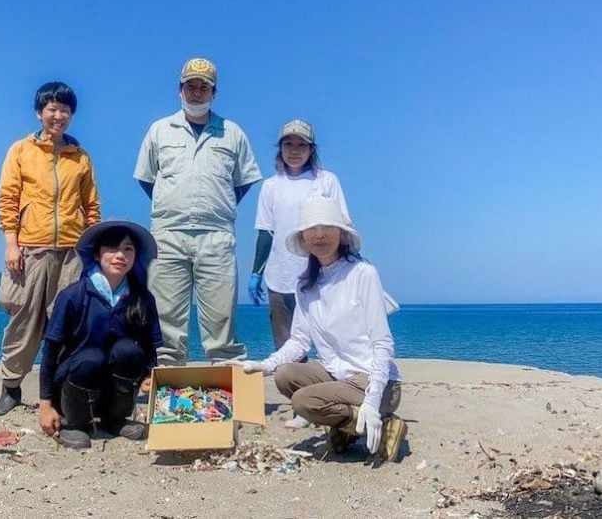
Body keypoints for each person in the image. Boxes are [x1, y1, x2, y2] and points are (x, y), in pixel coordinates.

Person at [231, 196, 407, 461]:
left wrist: (372, 401)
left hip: (374, 381)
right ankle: (350, 427)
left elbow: (382, 344)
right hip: (338, 375)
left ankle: (379, 422)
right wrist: (267, 365)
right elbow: (300, 340)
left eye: (328, 226)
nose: (320, 234)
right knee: (285, 375)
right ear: (303, 239)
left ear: (342, 234)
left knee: (303, 401)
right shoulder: (305, 284)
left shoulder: (362, 274)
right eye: (311, 229)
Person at [133, 57, 262, 365]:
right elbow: (147, 178)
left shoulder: (232, 133)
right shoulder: (159, 130)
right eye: (191, 86)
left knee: (221, 315)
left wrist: (217, 205)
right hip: (167, 235)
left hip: (216, 235)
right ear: (180, 90)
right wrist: (173, 204)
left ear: (213, 93)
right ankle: (165, 376)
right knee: (165, 317)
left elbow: (243, 182)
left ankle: (226, 375)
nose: (196, 92)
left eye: (203, 87)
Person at [0, 81, 101, 417]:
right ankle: (11, 387)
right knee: (23, 318)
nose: (59, 115)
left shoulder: (80, 157)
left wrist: (92, 252)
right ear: (40, 113)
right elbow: (7, 200)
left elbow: (92, 207)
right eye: (52, 108)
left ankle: (59, 393)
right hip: (30, 249)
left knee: (67, 325)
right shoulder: (20, 151)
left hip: (71, 252)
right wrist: (12, 244)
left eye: (65, 109)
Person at [247, 119, 348, 429]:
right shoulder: (271, 186)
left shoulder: (325, 181)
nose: (294, 151)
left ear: (311, 149)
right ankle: (300, 405)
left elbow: (340, 223)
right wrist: (256, 272)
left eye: (301, 145)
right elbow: (265, 232)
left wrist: (346, 265)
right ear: (280, 149)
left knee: (331, 336)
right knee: (287, 342)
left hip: (321, 271)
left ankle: (336, 393)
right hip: (280, 275)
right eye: (288, 145)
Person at [37, 220, 163, 449]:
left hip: (112, 381)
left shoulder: (142, 298)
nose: (120, 255)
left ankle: (114, 418)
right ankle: (75, 422)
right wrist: (45, 405)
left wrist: (148, 375)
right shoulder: (73, 295)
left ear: (135, 257)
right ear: (96, 254)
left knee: (129, 351)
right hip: (76, 376)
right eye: (112, 248)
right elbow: (50, 352)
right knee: (92, 358)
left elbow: (148, 346)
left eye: (128, 249)